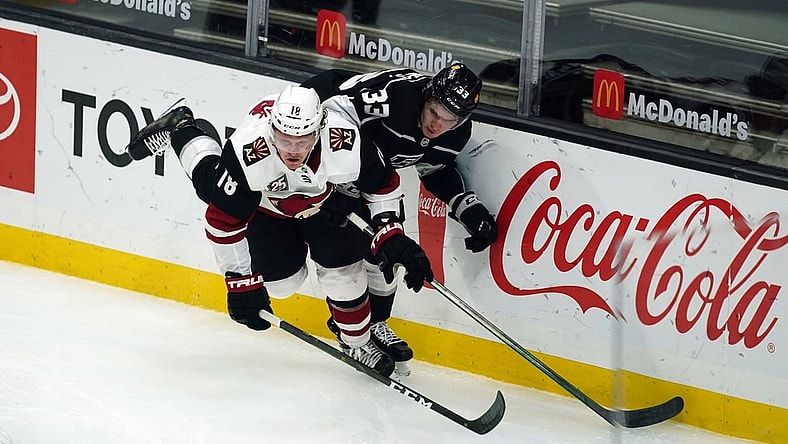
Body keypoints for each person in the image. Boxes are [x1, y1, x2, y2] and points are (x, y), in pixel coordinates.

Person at [125, 85, 433, 377]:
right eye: (284, 139)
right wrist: (240, 284)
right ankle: (182, 128)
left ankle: (357, 342)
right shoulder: (248, 151)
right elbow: (222, 223)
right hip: (265, 206)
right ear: (272, 129)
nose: (293, 150)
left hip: (326, 202)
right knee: (273, 273)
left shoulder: (345, 140)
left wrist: (390, 232)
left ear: (320, 129)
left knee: (345, 276)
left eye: (302, 140)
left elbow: (384, 184)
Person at [301, 63, 499, 369]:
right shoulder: (394, 98)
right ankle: (352, 334)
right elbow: (330, 113)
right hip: (333, 168)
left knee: (390, 252)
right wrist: (328, 182)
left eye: (450, 119)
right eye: (434, 112)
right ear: (427, 96)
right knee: (343, 260)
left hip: (378, 183)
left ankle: (373, 323)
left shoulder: (456, 132)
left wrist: (466, 207)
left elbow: (435, 169)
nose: (437, 125)